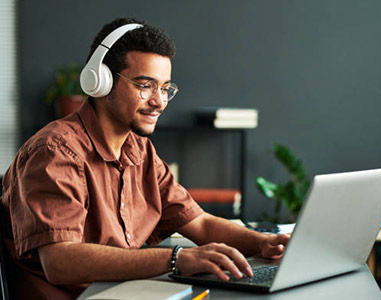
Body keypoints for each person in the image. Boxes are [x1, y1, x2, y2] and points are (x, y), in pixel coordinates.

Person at [1, 17, 290, 300]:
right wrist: (177, 259)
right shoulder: (55, 151)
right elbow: (59, 260)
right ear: (101, 82)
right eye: (145, 85)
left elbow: (199, 223)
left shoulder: (140, 151)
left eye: (165, 88)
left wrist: (266, 243)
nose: (159, 101)